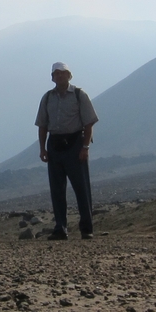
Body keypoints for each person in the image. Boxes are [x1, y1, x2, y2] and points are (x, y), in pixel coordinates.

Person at [36, 62, 98, 240]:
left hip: (75, 144)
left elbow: (89, 123)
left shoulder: (79, 95)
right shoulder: (47, 98)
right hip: (54, 145)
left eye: (63, 73)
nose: (59, 76)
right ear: (52, 77)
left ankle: (86, 228)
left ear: (69, 75)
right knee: (57, 189)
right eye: (56, 74)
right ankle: (60, 228)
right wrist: (42, 149)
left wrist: (85, 147)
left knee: (81, 187)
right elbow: (42, 125)